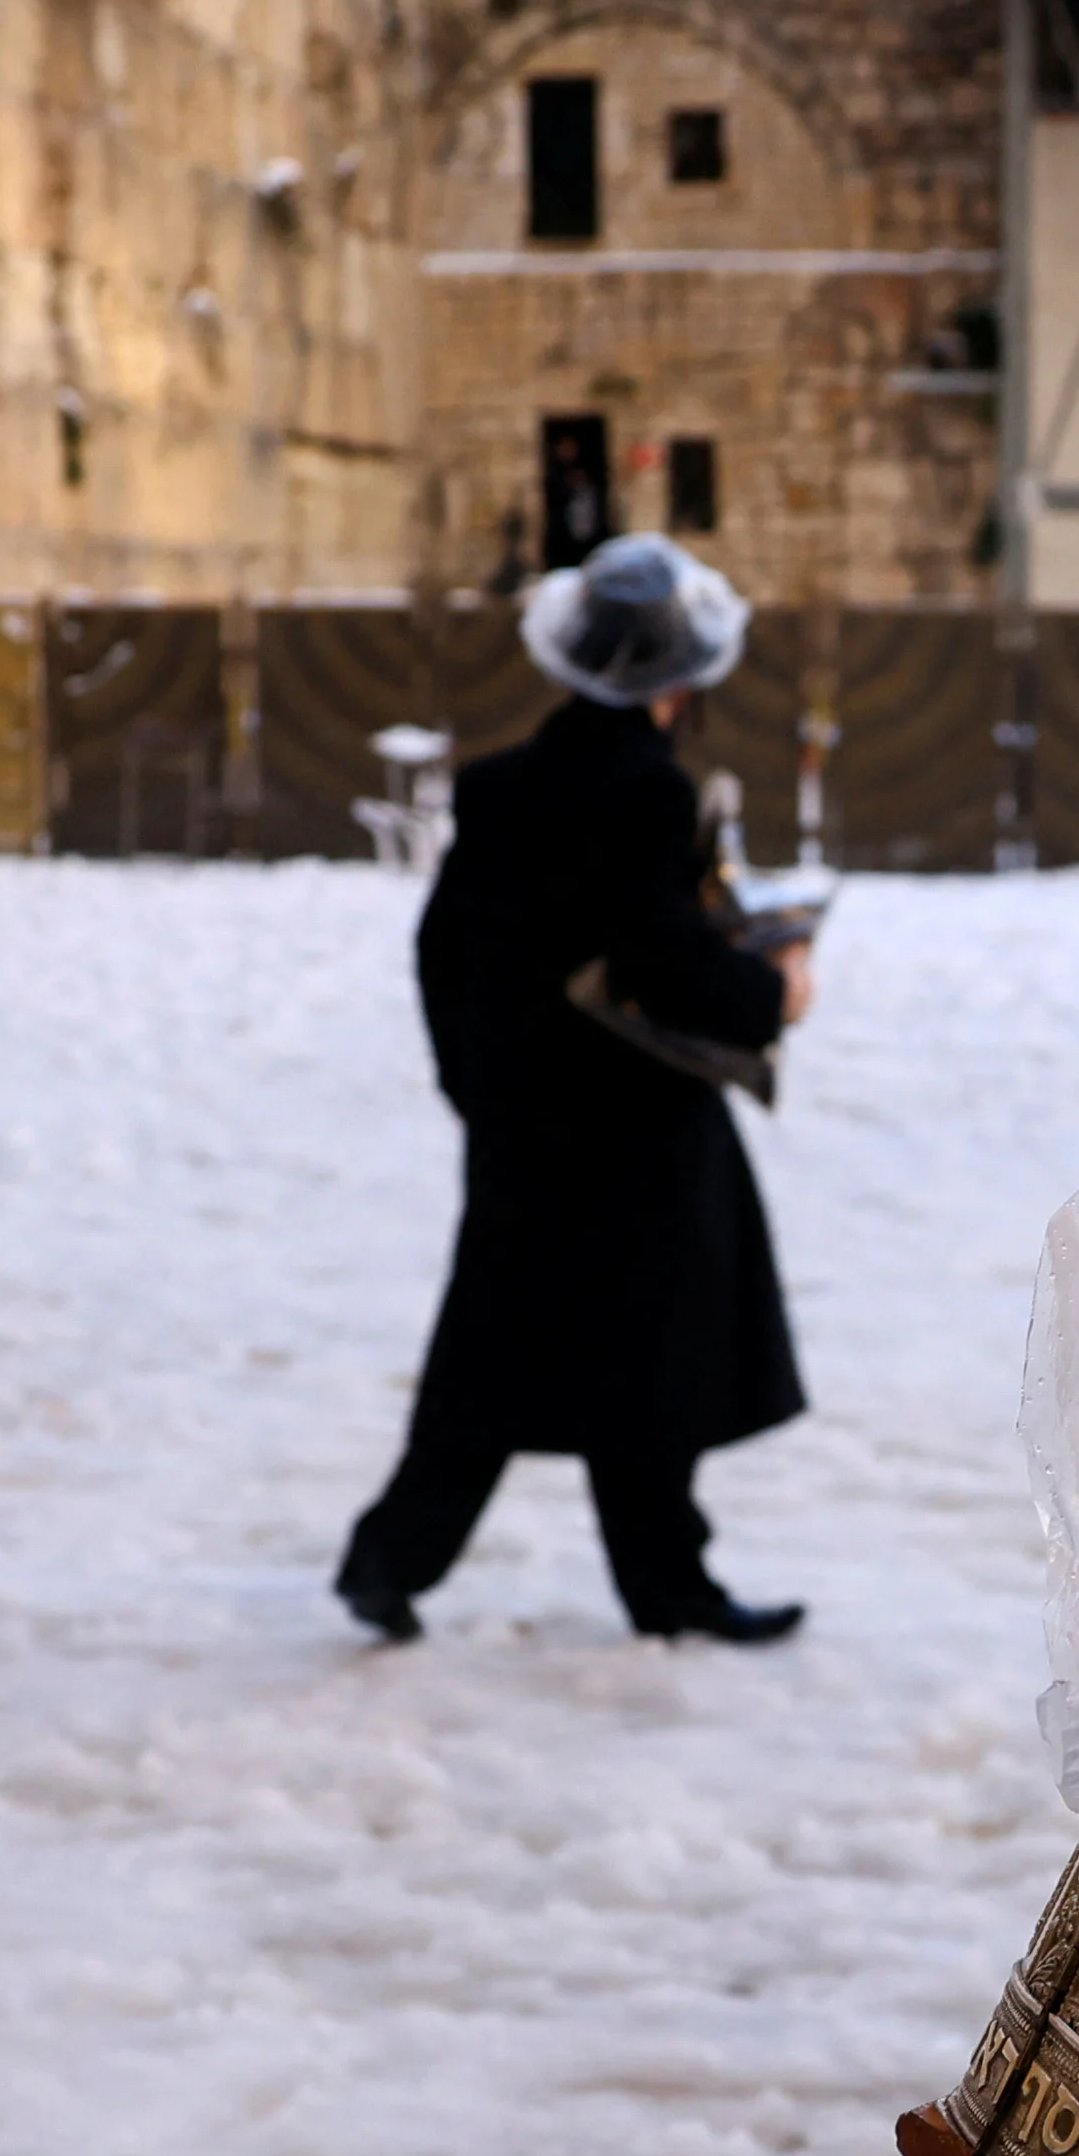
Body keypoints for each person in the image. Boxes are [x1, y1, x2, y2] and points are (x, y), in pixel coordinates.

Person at [337, 537, 814, 1647]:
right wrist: (768, 991)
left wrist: (479, 1093)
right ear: (678, 678)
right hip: (635, 1130)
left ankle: (389, 1560)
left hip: (521, 1129)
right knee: (651, 1360)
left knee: (493, 1362)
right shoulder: (645, 793)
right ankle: (668, 1589)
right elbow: (656, 955)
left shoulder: (499, 786)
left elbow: (441, 952)